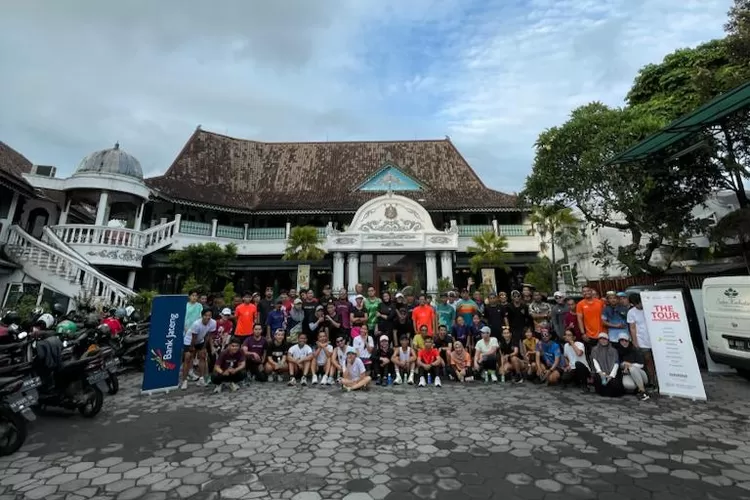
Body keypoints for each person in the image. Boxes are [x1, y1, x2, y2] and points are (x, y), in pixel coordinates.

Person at [181, 308, 216, 389]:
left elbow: (209, 336)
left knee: (203, 357)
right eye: (206, 315)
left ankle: (201, 378)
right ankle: (184, 381)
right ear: (202, 316)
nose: (207, 317)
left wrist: (205, 347)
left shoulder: (213, 322)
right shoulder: (196, 324)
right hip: (189, 341)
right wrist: (192, 348)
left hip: (201, 340)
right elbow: (194, 338)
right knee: (188, 358)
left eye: (209, 315)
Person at [627, 293, 656, 388]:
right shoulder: (631, 312)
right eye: (636, 304)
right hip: (642, 340)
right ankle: (651, 380)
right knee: (647, 360)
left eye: (639, 303)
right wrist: (635, 341)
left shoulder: (650, 308)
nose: (639, 305)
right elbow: (632, 328)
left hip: (655, 338)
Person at [616, 332, 650, 401]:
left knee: (632, 369)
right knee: (629, 385)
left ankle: (642, 391)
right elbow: (618, 364)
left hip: (641, 374)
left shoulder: (635, 350)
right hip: (627, 374)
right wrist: (624, 365)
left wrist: (629, 365)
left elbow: (641, 365)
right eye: (622, 341)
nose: (624, 342)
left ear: (629, 341)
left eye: (626, 340)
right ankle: (637, 389)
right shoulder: (618, 352)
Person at [591, 332, 624, 397]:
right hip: (600, 373)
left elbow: (616, 364)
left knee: (615, 387)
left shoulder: (613, 350)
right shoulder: (595, 349)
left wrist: (611, 376)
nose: (603, 340)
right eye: (601, 339)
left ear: (608, 340)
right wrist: (601, 373)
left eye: (605, 339)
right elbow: (595, 362)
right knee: (601, 384)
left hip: (612, 373)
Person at [576, 287, 605, 353]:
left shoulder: (600, 302)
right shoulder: (580, 304)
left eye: (588, 291)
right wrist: (583, 333)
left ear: (591, 291)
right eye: (584, 291)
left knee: (604, 353)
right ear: (582, 293)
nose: (586, 293)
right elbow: (579, 319)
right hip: (589, 335)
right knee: (593, 355)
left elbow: (605, 317)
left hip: (602, 332)